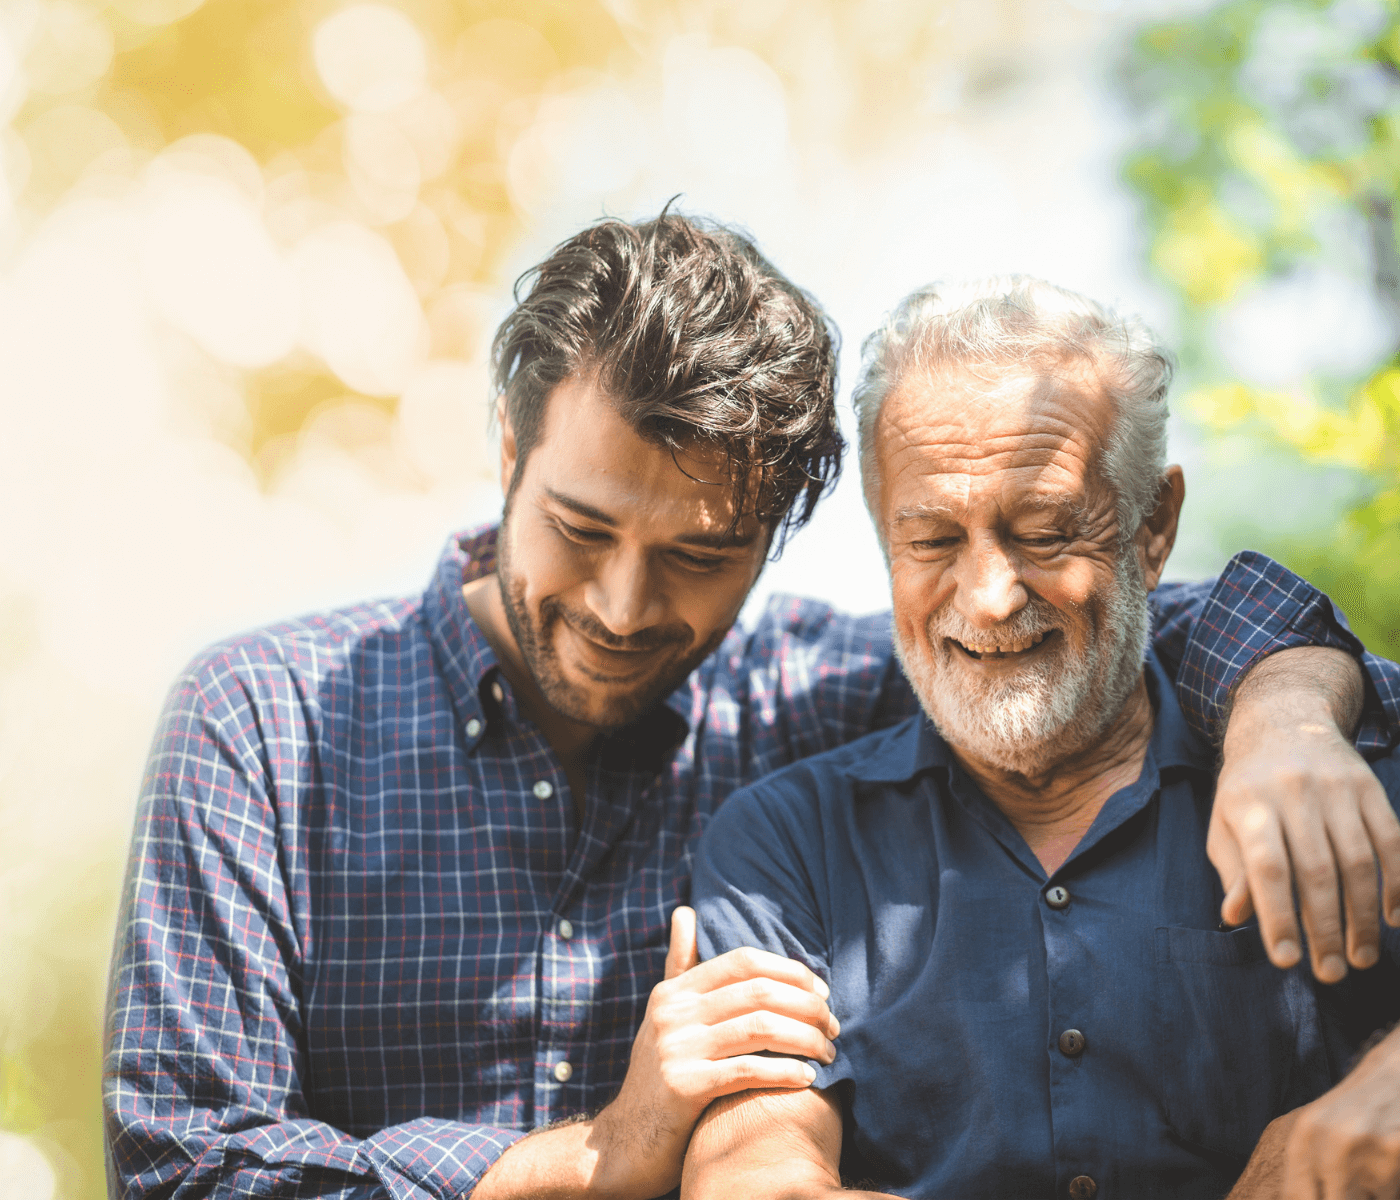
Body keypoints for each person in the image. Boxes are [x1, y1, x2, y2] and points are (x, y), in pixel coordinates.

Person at [104, 219, 1397, 1200]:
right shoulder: (261, 726)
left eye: (697, 556)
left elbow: (1095, 636)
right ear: (508, 452)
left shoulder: (817, 689)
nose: (621, 605)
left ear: (777, 541)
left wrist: (1288, 704)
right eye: (579, 528)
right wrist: (591, 1155)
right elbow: (182, 1169)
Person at [683, 275, 1400, 1200]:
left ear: (1153, 526)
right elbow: (754, 1176)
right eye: (933, 540)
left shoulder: (1323, 774)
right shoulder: (788, 841)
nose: (988, 597)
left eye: (1045, 532)